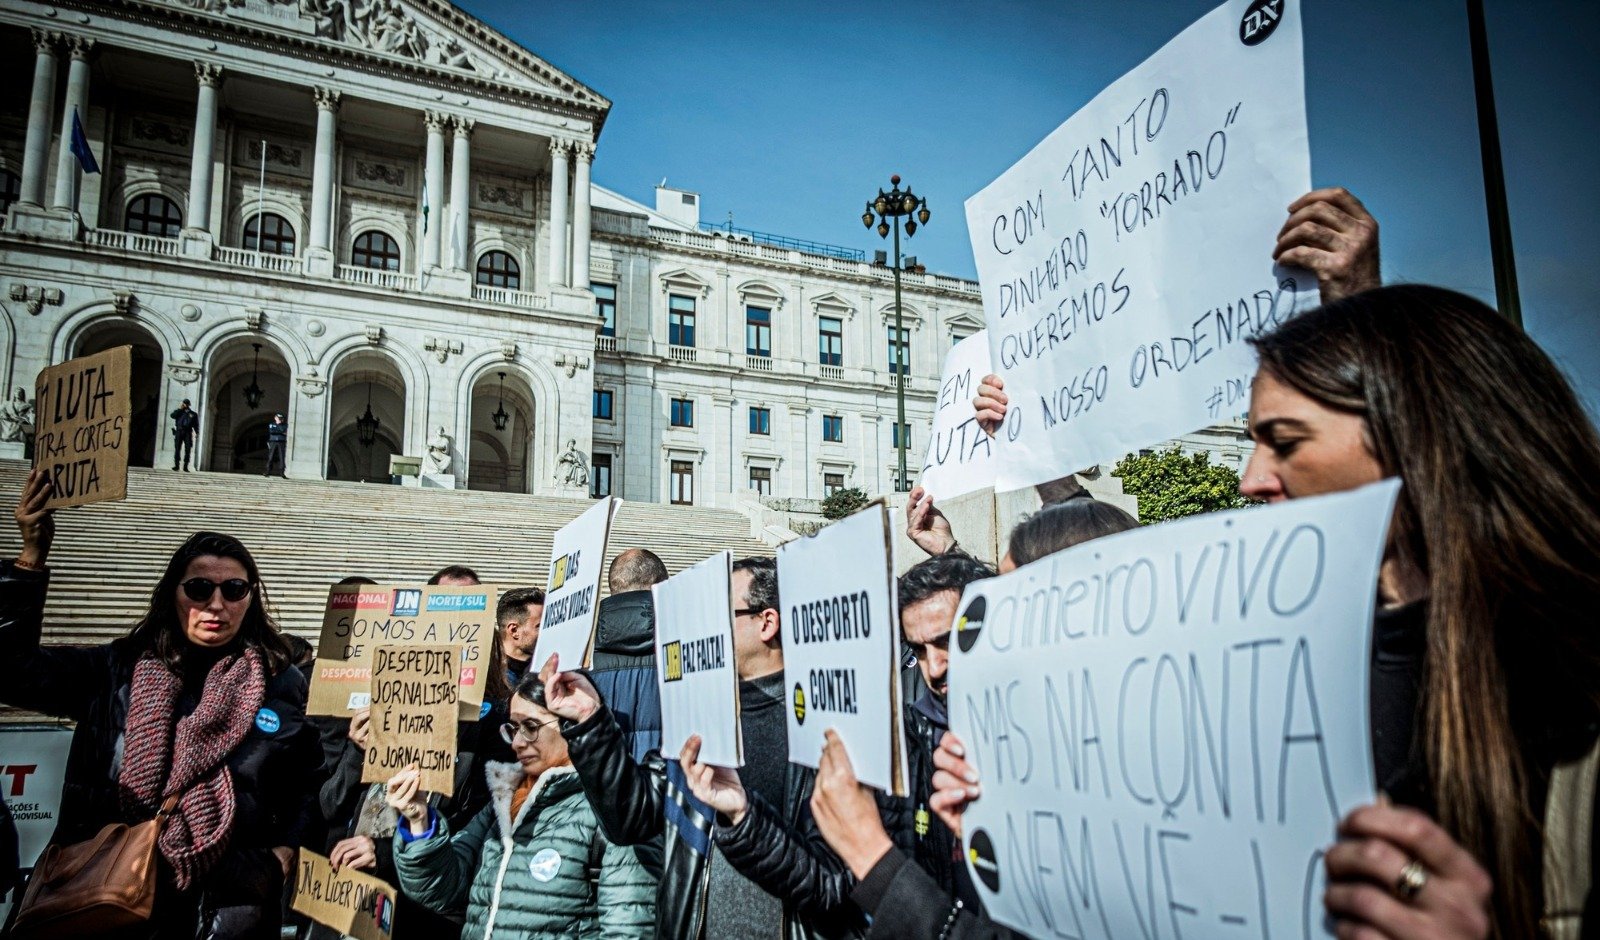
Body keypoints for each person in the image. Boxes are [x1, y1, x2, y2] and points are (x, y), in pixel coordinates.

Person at [0, 468, 323, 937]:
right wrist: (31, 559)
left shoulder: (282, 681)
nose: (216, 604)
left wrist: (285, 853)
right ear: (172, 594)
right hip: (109, 897)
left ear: (250, 599)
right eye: (199, 588)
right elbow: (12, 673)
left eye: (234, 590)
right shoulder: (117, 669)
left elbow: (306, 781)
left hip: (229, 907)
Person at [543, 556, 867, 939]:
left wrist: (744, 821)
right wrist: (590, 721)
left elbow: (833, 885)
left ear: (767, 623)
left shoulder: (826, 727)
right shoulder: (698, 712)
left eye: (719, 612)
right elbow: (629, 817)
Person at [387, 673, 656, 938]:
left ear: (571, 724)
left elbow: (628, 930)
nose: (517, 742)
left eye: (530, 727)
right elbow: (441, 893)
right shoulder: (503, 804)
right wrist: (419, 820)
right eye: (513, 728)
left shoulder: (615, 813)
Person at [589, 548, 669, 761]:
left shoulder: (580, 646)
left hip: (604, 775)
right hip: (671, 776)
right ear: (662, 583)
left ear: (613, 586)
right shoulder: (689, 636)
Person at [496, 587, 545, 691]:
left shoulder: (546, 670)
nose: (547, 631)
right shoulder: (489, 677)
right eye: (540, 626)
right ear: (514, 630)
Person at [171, 398, 199, 471]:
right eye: (184, 403)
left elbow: (196, 424)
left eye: (186, 403)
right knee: (177, 448)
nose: (185, 405)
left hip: (188, 432)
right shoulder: (179, 412)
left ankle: (185, 466)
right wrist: (180, 409)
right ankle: (177, 465)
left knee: (188, 449)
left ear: (189, 404)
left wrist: (197, 432)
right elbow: (172, 416)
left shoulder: (193, 414)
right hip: (179, 431)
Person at [264, 412, 287, 478]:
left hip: (281, 442)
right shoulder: (272, 424)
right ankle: (268, 471)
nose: (279, 419)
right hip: (273, 441)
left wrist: (279, 427)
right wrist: (281, 432)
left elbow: (284, 431)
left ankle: (282, 472)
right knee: (271, 456)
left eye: (281, 418)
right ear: (275, 418)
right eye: (278, 418)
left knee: (282, 457)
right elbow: (272, 431)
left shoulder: (284, 425)